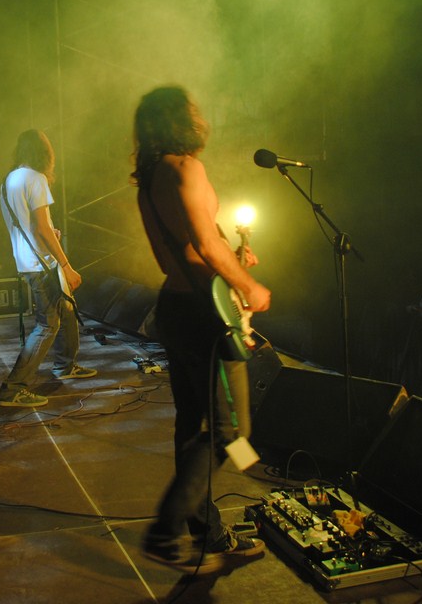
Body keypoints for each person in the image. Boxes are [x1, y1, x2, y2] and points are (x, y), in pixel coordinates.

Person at [132, 86, 270, 574]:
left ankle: (206, 535)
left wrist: (232, 262)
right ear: (182, 119)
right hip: (203, 314)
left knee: (191, 425)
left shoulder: (150, 178)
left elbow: (177, 255)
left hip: (175, 304)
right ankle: (165, 532)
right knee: (232, 431)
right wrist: (248, 285)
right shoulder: (186, 168)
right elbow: (207, 246)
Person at [0, 129, 95, 408]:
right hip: (42, 263)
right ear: (45, 153)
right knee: (47, 325)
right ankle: (13, 388)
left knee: (67, 309)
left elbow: (29, 225)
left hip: (28, 260)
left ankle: (65, 365)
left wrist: (51, 233)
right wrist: (66, 264)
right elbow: (40, 226)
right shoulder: (35, 178)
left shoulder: (8, 180)